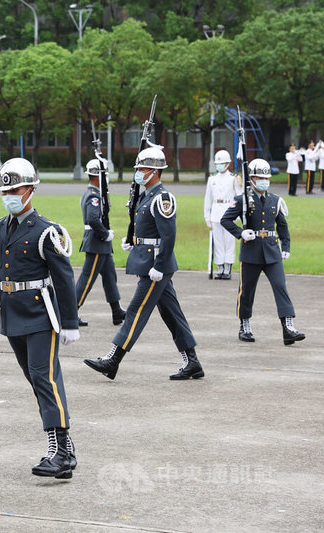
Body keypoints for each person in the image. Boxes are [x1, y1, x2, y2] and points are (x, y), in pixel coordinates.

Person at [0, 157, 80, 479]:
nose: (9, 195)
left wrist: (70, 323)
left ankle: (60, 451)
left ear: (30, 190)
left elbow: (64, 279)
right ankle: (63, 446)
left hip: (41, 315)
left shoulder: (46, 231)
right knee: (37, 381)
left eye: (16, 189)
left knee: (44, 378)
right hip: (13, 315)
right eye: (5, 190)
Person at [84, 146, 203, 381]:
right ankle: (193, 362)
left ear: (155, 171)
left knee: (136, 311)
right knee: (173, 315)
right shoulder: (146, 195)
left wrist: (159, 266)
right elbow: (142, 224)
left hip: (155, 266)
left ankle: (113, 359)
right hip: (147, 261)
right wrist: (132, 240)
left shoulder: (163, 198)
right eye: (138, 168)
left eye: (143, 168)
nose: (138, 172)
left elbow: (168, 237)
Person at [219, 158, 305, 345]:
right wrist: (241, 233)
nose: (264, 181)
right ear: (252, 178)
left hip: (272, 251)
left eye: (267, 177)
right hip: (251, 251)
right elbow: (225, 220)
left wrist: (286, 246)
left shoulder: (275, 200)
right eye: (260, 177)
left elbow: (282, 225)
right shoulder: (242, 200)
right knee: (247, 291)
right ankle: (245, 325)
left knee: (280, 286)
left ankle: (288, 327)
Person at [75, 159, 126, 326]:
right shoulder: (93, 195)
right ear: (98, 176)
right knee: (87, 280)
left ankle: (116, 310)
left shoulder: (95, 193)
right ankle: (70, 313)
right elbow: (93, 219)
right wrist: (105, 234)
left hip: (102, 245)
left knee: (110, 277)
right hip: (97, 242)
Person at [203, 149, 240, 280]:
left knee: (229, 241)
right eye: (217, 163)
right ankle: (220, 268)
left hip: (229, 212)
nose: (219, 165)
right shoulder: (212, 179)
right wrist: (207, 217)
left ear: (227, 164)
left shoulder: (234, 179)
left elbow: (238, 197)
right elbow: (208, 199)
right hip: (215, 213)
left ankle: (228, 268)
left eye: (221, 163)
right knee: (218, 242)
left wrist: (238, 215)